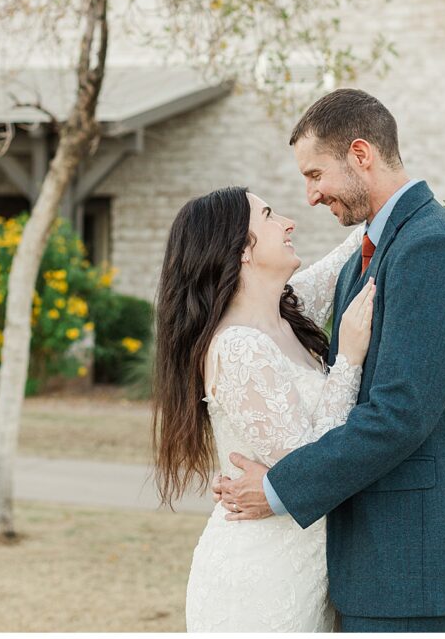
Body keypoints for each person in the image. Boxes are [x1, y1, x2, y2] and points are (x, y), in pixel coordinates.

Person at [216, 88, 445, 632]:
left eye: (316, 174)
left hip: (407, 554)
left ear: (361, 154)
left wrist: (278, 489)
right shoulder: (368, 255)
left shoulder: (431, 249)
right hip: (364, 553)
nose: (311, 195)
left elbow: (399, 415)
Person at [152, 184, 375, 632]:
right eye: (270, 216)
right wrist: (349, 358)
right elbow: (307, 465)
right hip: (263, 576)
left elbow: (341, 259)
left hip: (311, 566)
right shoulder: (237, 348)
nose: (288, 222)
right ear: (241, 251)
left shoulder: (285, 311)